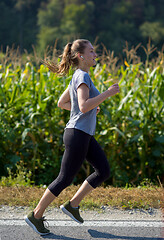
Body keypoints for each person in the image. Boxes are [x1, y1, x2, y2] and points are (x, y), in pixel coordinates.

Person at [25, 39, 120, 235]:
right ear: (81, 56)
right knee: (64, 178)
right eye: (91, 51)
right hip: (78, 134)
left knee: (103, 170)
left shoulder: (77, 76)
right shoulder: (83, 76)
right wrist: (107, 94)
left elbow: (63, 103)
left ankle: (72, 205)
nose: (95, 54)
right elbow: (84, 105)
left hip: (82, 134)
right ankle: (35, 215)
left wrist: (91, 109)